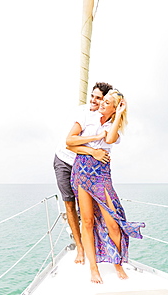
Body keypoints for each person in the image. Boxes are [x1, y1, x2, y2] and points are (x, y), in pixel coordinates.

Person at [67, 89, 145, 284]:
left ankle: (117, 262)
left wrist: (118, 114)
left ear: (114, 107)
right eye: (103, 100)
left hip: (101, 175)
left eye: (107, 102)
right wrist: (92, 150)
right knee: (87, 221)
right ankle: (93, 268)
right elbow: (70, 142)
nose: (101, 103)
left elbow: (109, 139)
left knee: (113, 224)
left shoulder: (113, 125)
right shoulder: (87, 117)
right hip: (82, 170)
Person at [53, 82, 113, 264]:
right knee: (70, 205)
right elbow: (69, 142)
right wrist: (93, 150)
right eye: (92, 96)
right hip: (64, 161)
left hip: (85, 167)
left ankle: (96, 247)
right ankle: (79, 248)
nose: (94, 101)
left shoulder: (108, 120)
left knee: (89, 210)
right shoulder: (83, 113)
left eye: (99, 98)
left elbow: (107, 145)